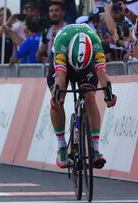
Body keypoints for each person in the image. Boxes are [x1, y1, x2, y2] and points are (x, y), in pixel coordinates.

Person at [49, 24, 117, 169]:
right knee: (57, 101)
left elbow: (102, 74)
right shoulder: (62, 43)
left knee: (90, 98)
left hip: (87, 66)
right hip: (63, 64)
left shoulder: (95, 43)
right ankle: (61, 145)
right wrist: (57, 98)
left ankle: (95, 148)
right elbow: (60, 76)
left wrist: (108, 95)